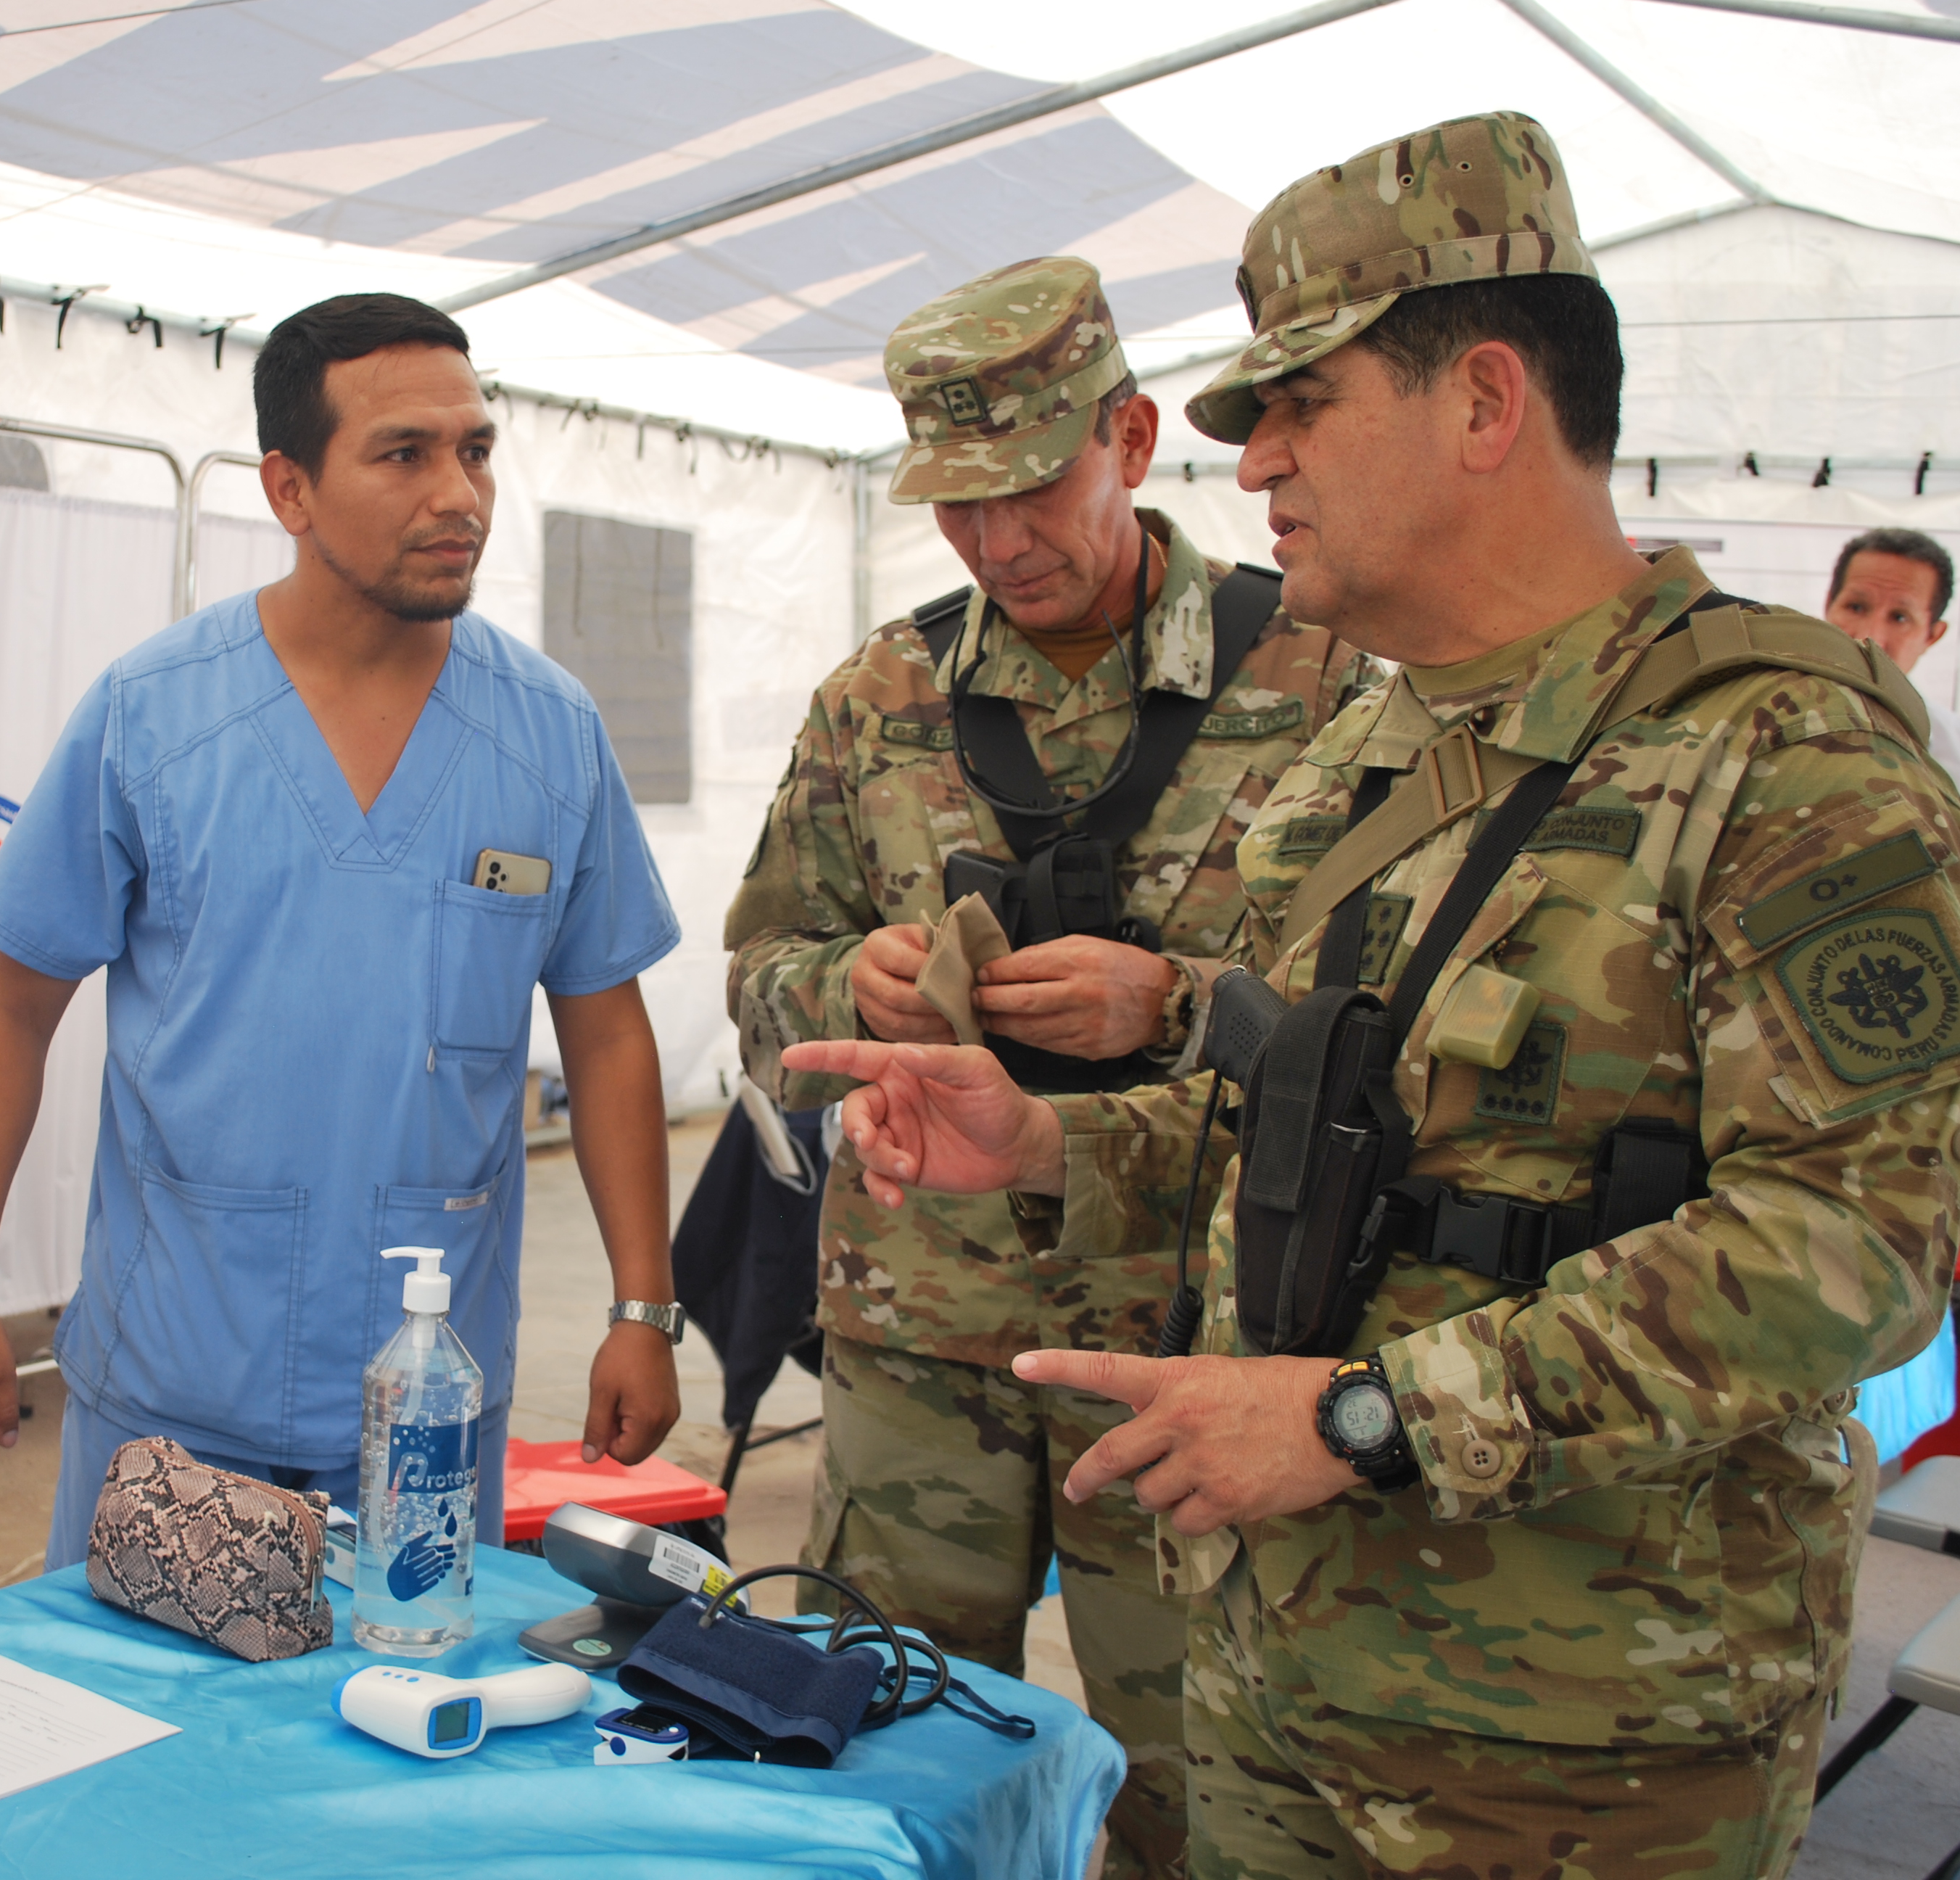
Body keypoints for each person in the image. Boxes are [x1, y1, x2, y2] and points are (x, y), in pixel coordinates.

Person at [782, 110, 1957, 1879]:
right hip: (1277, 1669)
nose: (1254, 469)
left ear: (1486, 403)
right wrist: (1042, 1143)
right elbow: (1283, 1114)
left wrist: (1370, 1417)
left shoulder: (1783, 755)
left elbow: (1861, 1244)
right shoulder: (1374, 746)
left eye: (1301, 408)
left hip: (1573, 1740)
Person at [724, 255, 1376, 1879]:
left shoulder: (1321, 683)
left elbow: (1380, 1038)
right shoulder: (876, 700)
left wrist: (1174, 996)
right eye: (956, 505)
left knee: (1197, 1786)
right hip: (914, 1343)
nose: (997, 542)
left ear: (1135, 440)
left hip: (1181, 1347)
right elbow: (752, 985)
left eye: (1031, 488)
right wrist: (843, 982)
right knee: (875, 1762)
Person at [0, 293, 685, 1564]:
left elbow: (604, 1034)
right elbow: (10, 1008)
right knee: (150, 1745)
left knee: (405, 1713)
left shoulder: (548, 735)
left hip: (429, 1392)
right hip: (174, 1385)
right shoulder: (154, 717)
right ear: (291, 489)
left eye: (476, 450)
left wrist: (644, 1304)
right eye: (404, 454)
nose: (460, 495)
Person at [1827, 526, 1960, 771]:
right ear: (1829, 606)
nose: (1870, 637)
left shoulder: (1953, 752)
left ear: (1932, 636)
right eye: (1855, 607)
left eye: (1900, 617)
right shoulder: (1760, 716)